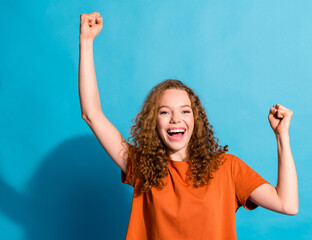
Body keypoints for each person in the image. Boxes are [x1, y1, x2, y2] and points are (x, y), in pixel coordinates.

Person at [79, 12, 298, 240]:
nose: (175, 119)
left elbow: (287, 204)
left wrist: (282, 136)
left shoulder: (228, 169)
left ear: (196, 120)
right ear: (154, 122)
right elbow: (91, 114)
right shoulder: (143, 167)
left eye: (185, 111)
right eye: (164, 112)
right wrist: (86, 41)